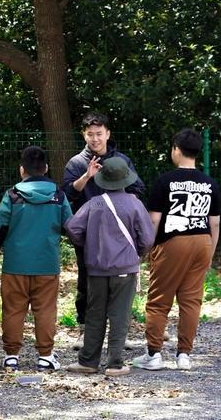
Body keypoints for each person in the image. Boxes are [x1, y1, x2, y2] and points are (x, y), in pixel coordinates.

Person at [133, 128, 221, 371]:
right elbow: (214, 222)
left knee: (159, 300)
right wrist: (210, 252)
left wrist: (146, 249)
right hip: (202, 241)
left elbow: (153, 220)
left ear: (176, 150)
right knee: (191, 300)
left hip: (173, 242)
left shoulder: (166, 181)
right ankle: (184, 355)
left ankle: (154, 354)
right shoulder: (210, 183)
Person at [62, 111, 145, 350]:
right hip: (89, 236)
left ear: (108, 134)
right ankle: (85, 330)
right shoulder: (77, 163)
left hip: (120, 234)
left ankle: (118, 334)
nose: (95, 139)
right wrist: (87, 177)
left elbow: (138, 190)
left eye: (99, 134)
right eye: (90, 134)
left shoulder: (122, 161)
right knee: (86, 283)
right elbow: (67, 194)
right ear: (83, 135)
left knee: (121, 283)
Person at [65, 157, 155, 376]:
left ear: (103, 179)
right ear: (125, 179)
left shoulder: (93, 203)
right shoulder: (135, 203)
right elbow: (148, 239)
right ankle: (114, 364)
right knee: (120, 315)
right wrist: (137, 253)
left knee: (94, 313)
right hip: (125, 267)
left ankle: (88, 361)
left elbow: (72, 228)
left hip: (96, 268)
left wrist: (88, 245)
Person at [0, 146, 72, 371]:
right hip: (47, 264)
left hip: (15, 264)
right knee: (45, 310)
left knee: (13, 309)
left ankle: (11, 356)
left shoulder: (12, 195)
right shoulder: (58, 195)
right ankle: (45, 356)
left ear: (22, 169)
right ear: (45, 168)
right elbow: (71, 226)